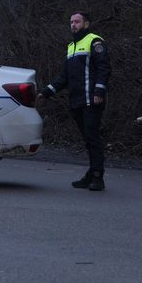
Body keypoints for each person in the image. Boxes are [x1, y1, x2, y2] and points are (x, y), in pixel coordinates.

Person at [37, 11, 110, 191]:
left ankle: (97, 177)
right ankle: (91, 172)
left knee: (92, 138)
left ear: (86, 24)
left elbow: (104, 68)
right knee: (87, 139)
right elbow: (65, 77)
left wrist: (99, 91)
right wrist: (46, 92)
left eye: (77, 22)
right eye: (71, 22)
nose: (73, 25)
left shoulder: (95, 41)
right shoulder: (71, 47)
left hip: (91, 99)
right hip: (76, 101)